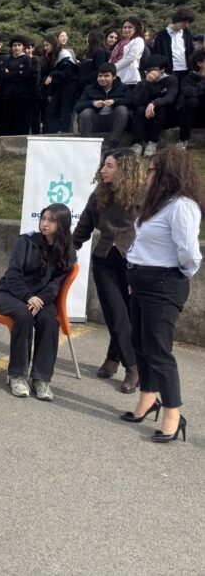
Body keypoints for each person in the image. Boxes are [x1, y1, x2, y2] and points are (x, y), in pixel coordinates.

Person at [123, 149, 202, 443]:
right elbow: (143, 241)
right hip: (141, 280)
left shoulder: (182, 206)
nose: (147, 174)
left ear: (168, 174)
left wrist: (178, 274)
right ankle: (148, 398)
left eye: (152, 170)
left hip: (164, 283)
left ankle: (173, 413)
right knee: (139, 343)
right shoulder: (158, 203)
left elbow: (189, 252)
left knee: (158, 349)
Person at [72, 150, 145, 393]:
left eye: (109, 166)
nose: (103, 170)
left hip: (134, 262)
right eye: (103, 165)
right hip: (104, 260)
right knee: (116, 313)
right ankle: (133, 367)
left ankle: (113, 359)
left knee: (128, 315)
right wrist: (65, 251)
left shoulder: (144, 195)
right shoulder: (99, 194)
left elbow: (153, 231)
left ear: (125, 170)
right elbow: (83, 228)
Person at [0, 203, 75, 400]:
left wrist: (40, 299)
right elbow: (13, 276)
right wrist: (28, 297)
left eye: (51, 220)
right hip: (11, 294)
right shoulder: (26, 242)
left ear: (62, 225)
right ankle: (17, 376)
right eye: (43, 218)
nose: (45, 224)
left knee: (49, 320)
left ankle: (41, 379)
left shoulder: (67, 250)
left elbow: (56, 283)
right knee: (24, 315)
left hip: (40, 298)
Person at [75, 63, 131, 149]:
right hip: (95, 122)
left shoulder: (123, 87)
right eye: (100, 76)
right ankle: (85, 143)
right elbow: (78, 106)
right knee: (86, 112)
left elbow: (131, 102)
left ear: (114, 77)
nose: (102, 78)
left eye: (106, 76)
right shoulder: (89, 88)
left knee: (122, 109)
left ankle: (113, 143)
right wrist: (92, 103)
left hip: (113, 122)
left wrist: (114, 101)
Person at [131, 55, 178, 157]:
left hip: (164, 117)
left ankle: (152, 143)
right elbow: (137, 102)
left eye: (154, 70)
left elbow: (170, 97)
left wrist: (154, 103)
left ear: (162, 69)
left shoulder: (171, 80)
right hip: (145, 116)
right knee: (140, 109)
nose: (151, 73)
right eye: (148, 70)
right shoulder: (142, 83)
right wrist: (147, 83)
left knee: (161, 109)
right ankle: (137, 143)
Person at [41, 34, 79, 133]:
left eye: (47, 45)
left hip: (69, 86)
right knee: (51, 111)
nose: (45, 48)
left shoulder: (64, 55)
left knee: (65, 112)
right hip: (60, 87)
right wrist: (50, 91)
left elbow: (67, 74)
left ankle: (65, 134)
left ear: (53, 44)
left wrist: (52, 74)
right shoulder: (53, 56)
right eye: (44, 46)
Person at [0, 35, 34, 136]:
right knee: (7, 119)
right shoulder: (7, 60)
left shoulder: (26, 59)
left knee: (20, 119)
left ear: (23, 47)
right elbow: (3, 74)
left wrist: (10, 74)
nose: (17, 47)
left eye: (19, 45)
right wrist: (18, 73)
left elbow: (26, 74)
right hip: (8, 94)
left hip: (21, 94)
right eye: (14, 45)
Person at [150, 8, 195, 82]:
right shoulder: (161, 35)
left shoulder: (187, 33)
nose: (186, 25)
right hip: (169, 71)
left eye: (188, 23)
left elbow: (191, 51)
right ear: (177, 20)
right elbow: (156, 54)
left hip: (186, 70)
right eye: (184, 22)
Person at [177, 48, 205, 150]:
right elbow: (190, 93)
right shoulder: (188, 79)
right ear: (199, 63)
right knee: (192, 101)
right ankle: (183, 139)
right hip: (192, 118)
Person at [110, 17, 146, 89]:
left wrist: (113, 68)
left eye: (130, 27)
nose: (126, 29)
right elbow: (112, 57)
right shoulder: (121, 42)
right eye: (124, 27)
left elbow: (130, 58)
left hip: (129, 79)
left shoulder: (138, 40)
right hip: (116, 77)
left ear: (136, 29)